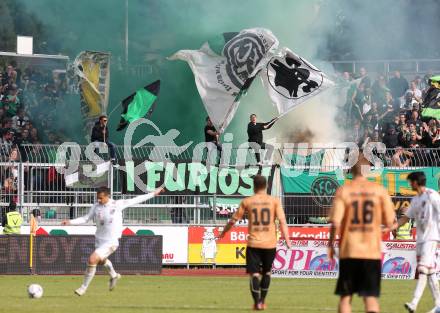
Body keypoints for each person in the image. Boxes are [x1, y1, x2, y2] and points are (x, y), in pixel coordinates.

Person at [61, 186, 164, 296]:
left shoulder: (117, 204)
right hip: (99, 239)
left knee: (92, 260)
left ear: (107, 196)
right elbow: (86, 218)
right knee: (101, 260)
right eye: (97, 198)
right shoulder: (96, 206)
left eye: (101, 198)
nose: (98, 200)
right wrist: (70, 222)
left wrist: (154, 193)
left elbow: (136, 199)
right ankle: (114, 275)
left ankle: (83, 288)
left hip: (111, 241)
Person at [328, 154, 395, 313]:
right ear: (368, 171)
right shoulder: (379, 191)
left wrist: (330, 244)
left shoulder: (344, 191)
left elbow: (336, 222)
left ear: (352, 170)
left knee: (346, 297)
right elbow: (391, 222)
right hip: (371, 252)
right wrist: (381, 229)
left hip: (349, 250)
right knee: (370, 299)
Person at [218, 175, 292, 311]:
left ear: (254, 186)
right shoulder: (274, 201)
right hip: (270, 244)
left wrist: (223, 232)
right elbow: (282, 221)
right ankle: (263, 301)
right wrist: (287, 240)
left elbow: (233, 220)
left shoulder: (247, 201)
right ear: (266, 186)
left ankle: (257, 302)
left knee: (254, 274)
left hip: (253, 244)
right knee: (267, 273)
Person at [396, 172, 440, 313]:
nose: (410, 184)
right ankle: (439, 304)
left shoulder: (432, 196)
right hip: (420, 240)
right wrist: (390, 227)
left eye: (410, 182)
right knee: (431, 272)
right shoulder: (415, 200)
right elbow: (404, 219)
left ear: (416, 182)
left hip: (431, 238)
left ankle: (414, 303)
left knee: (422, 270)